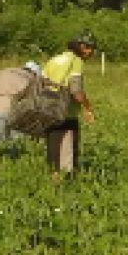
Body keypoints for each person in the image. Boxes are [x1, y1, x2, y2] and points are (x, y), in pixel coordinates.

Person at [42, 34, 97, 179]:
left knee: (53, 147)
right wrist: (88, 108)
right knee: (68, 150)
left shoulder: (53, 60)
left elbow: (40, 83)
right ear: (82, 47)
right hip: (66, 113)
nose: (91, 52)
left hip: (48, 108)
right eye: (90, 48)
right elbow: (76, 91)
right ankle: (68, 184)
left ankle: (53, 180)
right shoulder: (76, 61)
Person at [0, 61, 42, 153]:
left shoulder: (5, 72)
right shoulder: (32, 79)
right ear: (35, 73)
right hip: (17, 111)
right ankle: (14, 162)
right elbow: (34, 101)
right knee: (17, 144)